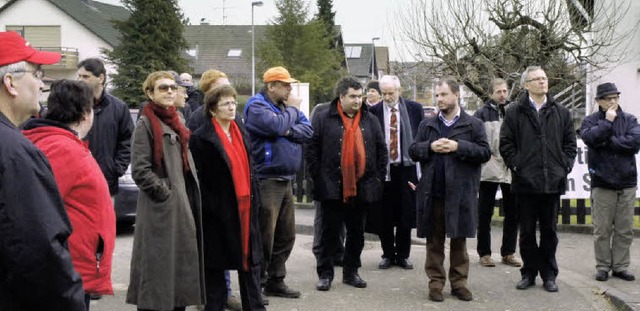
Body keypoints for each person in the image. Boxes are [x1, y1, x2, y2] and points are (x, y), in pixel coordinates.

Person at [0, 30, 85, 311]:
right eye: (36, 74)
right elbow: (41, 252)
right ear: (10, 83)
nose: (42, 83)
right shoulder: (15, 152)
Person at [23, 79, 116, 310]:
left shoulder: (61, 143)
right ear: (86, 113)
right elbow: (39, 213)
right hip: (69, 270)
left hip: (70, 267)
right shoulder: (63, 148)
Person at [126, 71, 205, 311]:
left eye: (172, 87)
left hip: (182, 203)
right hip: (160, 210)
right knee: (157, 269)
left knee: (179, 270)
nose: (170, 91)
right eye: (163, 88)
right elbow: (140, 170)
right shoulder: (146, 123)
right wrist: (165, 194)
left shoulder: (177, 117)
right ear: (150, 93)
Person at [409, 79, 490, 302]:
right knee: (434, 242)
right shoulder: (427, 125)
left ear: (456, 95)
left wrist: (458, 147)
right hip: (433, 192)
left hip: (461, 192)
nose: (439, 99)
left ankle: (459, 283)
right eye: (437, 95)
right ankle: (435, 283)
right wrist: (430, 147)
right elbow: (414, 150)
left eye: (444, 94)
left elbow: (485, 152)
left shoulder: (473, 124)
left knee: (459, 241)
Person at [306, 76, 388, 291]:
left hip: (362, 186)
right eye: (352, 96)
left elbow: (381, 150)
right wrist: (319, 176)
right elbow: (312, 148)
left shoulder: (370, 120)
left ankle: (351, 272)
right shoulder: (324, 117)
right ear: (341, 97)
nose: (357, 100)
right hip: (332, 186)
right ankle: (325, 274)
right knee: (329, 233)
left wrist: (377, 178)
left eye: (360, 96)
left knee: (356, 234)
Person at [499, 66, 577, 293]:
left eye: (544, 78)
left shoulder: (561, 112)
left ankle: (549, 274)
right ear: (526, 85)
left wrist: (564, 166)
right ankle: (529, 273)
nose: (543, 82)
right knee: (526, 233)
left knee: (550, 231)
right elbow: (506, 143)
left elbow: (570, 145)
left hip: (552, 182)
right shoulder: (515, 111)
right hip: (525, 183)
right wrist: (517, 165)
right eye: (537, 79)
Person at [190, 84, 266, 311]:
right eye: (226, 103)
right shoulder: (201, 139)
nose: (232, 107)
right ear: (213, 109)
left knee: (250, 264)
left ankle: (255, 307)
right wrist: (213, 208)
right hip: (219, 213)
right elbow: (199, 181)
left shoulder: (240, 131)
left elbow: (251, 166)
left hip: (246, 207)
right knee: (216, 268)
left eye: (233, 102)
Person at [243, 66, 312, 298]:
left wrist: (286, 129)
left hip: (286, 180)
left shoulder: (284, 108)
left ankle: (276, 279)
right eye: (285, 85)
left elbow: (307, 130)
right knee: (265, 235)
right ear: (271, 86)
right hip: (266, 179)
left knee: (286, 234)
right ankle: (258, 283)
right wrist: (290, 113)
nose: (290, 89)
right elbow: (274, 126)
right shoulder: (257, 106)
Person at [580, 82, 640, 282]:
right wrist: (607, 122)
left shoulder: (630, 120)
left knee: (624, 229)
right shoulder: (590, 121)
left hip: (626, 182)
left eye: (616, 97)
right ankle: (603, 266)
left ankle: (621, 266)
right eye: (608, 98)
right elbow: (590, 138)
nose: (613, 101)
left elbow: (634, 143)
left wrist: (607, 142)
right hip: (603, 182)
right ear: (599, 101)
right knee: (602, 229)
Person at [369, 74, 423, 270]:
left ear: (399, 91)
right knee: (385, 213)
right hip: (384, 168)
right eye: (384, 93)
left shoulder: (413, 109)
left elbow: (420, 136)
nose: (387, 97)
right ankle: (387, 253)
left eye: (391, 93)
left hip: (407, 167)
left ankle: (403, 255)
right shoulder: (373, 111)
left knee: (405, 213)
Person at [473, 78, 521, 268]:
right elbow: (478, 139)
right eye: (498, 91)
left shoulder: (514, 112)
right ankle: (484, 253)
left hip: (510, 167)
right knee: (484, 212)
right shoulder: (481, 113)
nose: (503, 95)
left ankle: (508, 252)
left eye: (505, 91)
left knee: (513, 213)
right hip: (489, 167)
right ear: (491, 93)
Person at [76, 58, 134, 203]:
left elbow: (128, 141)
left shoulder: (118, 108)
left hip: (106, 183)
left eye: (85, 76)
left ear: (100, 78)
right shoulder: (73, 105)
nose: (80, 80)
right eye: (79, 76)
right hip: (77, 182)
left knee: (105, 225)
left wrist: (116, 169)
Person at [310, 102, 346, 266]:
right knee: (323, 217)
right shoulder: (321, 111)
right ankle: (320, 252)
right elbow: (312, 144)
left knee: (341, 218)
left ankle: (338, 252)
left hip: (345, 175)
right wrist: (317, 173)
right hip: (326, 175)